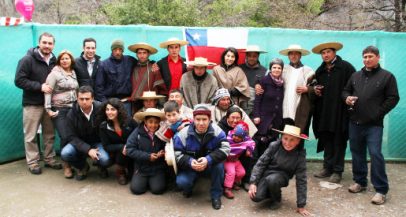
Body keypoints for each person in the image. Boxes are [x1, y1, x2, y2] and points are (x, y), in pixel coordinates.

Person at [342, 46, 399, 205]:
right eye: (365, 57)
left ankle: (381, 190)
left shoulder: (387, 76)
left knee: (375, 154)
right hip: (355, 122)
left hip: (374, 124)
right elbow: (345, 91)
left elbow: (393, 98)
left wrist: (378, 113)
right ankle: (360, 182)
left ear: (378, 57)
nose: (367, 59)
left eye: (370, 56)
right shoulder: (355, 76)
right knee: (357, 152)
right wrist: (347, 98)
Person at [15, 32, 62, 174]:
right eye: (45, 43)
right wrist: (39, 86)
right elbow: (19, 80)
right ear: (39, 43)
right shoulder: (27, 60)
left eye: (50, 43)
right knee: (31, 135)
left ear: (53, 45)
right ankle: (33, 162)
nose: (47, 46)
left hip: (49, 105)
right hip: (32, 104)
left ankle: (49, 159)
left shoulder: (55, 61)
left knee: (49, 133)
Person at [311, 42, 356, 183]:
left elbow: (355, 87)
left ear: (334, 52)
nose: (325, 55)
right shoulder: (320, 70)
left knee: (339, 140)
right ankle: (327, 167)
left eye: (328, 52)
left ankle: (337, 170)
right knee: (326, 139)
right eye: (323, 53)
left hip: (340, 112)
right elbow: (314, 86)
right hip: (324, 112)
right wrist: (315, 89)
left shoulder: (346, 68)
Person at [173, 104, 230, 210]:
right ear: (193, 119)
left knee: (219, 167)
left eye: (204, 119)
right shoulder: (183, 134)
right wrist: (190, 162)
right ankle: (188, 188)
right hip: (190, 167)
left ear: (210, 119)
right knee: (182, 182)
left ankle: (216, 196)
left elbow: (225, 149)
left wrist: (208, 160)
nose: (201, 123)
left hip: (210, 165)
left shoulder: (218, 131)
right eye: (198, 119)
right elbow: (177, 154)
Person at [248, 125, 311, 216]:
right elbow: (261, 163)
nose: (288, 143)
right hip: (267, 175)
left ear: (298, 141)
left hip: (282, 177)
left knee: (273, 180)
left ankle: (277, 199)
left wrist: (301, 205)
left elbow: (302, 180)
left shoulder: (300, 156)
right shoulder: (274, 146)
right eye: (285, 138)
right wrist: (253, 182)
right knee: (255, 197)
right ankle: (271, 191)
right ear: (281, 138)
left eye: (292, 140)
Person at [61, 86, 110, 181]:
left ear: (93, 99)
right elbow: (71, 136)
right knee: (65, 153)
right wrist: (88, 149)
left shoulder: (101, 109)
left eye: (87, 99)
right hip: (80, 142)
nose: (84, 101)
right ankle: (83, 166)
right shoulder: (71, 113)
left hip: (98, 142)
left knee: (105, 160)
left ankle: (101, 166)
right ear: (77, 99)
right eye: (81, 99)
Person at [44, 49, 79, 178]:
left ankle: (75, 161)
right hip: (59, 109)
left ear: (71, 60)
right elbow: (48, 91)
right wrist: (48, 109)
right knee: (65, 136)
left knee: (74, 134)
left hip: (73, 108)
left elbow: (75, 90)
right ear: (59, 60)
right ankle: (67, 166)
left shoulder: (73, 72)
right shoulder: (54, 73)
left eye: (67, 58)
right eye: (63, 58)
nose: (65, 60)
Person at [97, 98, 138, 185]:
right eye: (107, 109)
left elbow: (139, 133)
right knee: (121, 149)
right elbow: (106, 146)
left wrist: (129, 146)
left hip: (132, 151)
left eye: (112, 109)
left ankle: (132, 168)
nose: (109, 112)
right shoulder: (103, 126)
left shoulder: (129, 121)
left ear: (119, 110)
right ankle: (120, 171)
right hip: (117, 153)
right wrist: (121, 147)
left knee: (134, 178)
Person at [126, 108, 167, 195]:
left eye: (156, 122)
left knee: (158, 190)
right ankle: (145, 181)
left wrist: (162, 152)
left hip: (157, 168)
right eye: (150, 122)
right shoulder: (137, 132)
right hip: (141, 168)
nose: (153, 125)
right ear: (145, 121)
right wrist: (148, 156)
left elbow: (168, 146)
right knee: (136, 190)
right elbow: (130, 149)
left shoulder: (163, 132)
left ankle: (153, 181)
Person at [278, 44, 315, 133]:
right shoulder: (283, 69)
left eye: (296, 54)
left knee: (298, 137)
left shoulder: (308, 71)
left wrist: (307, 89)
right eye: (291, 54)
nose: (293, 56)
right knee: (285, 137)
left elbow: (316, 89)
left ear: (300, 55)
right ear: (288, 55)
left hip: (300, 110)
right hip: (284, 109)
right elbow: (270, 80)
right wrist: (258, 85)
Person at [95, 39, 137, 115]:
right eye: (115, 49)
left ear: (123, 50)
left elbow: (142, 64)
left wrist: (153, 64)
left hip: (126, 101)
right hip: (110, 102)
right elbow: (99, 86)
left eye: (120, 49)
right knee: (110, 125)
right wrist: (105, 103)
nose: (117, 52)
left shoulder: (130, 61)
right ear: (112, 50)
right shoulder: (104, 64)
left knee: (126, 125)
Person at [253, 58, 284, 156]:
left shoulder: (282, 83)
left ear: (282, 70)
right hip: (264, 118)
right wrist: (256, 115)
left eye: (279, 68)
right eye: (274, 67)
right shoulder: (264, 81)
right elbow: (257, 100)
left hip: (276, 120)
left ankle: (269, 168)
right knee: (262, 144)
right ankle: (258, 168)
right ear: (270, 69)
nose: (276, 69)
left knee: (272, 145)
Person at [223, 121, 255, 199]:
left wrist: (249, 150)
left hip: (236, 160)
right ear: (233, 133)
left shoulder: (245, 140)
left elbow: (252, 143)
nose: (236, 138)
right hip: (228, 160)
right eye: (235, 135)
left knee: (242, 172)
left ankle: (233, 183)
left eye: (239, 137)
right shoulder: (227, 139)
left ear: (243, 138)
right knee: (232, 172)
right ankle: (227, 188)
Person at [239, 45, 267, 116]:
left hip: (256, 107)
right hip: (239, 105)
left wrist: (262, 89)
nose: (252, 58)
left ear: (258, 56)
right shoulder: (239, 68)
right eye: (249, 56)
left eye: (254, 56)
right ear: (246, 56)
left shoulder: (264, 71)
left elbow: (267, 89)